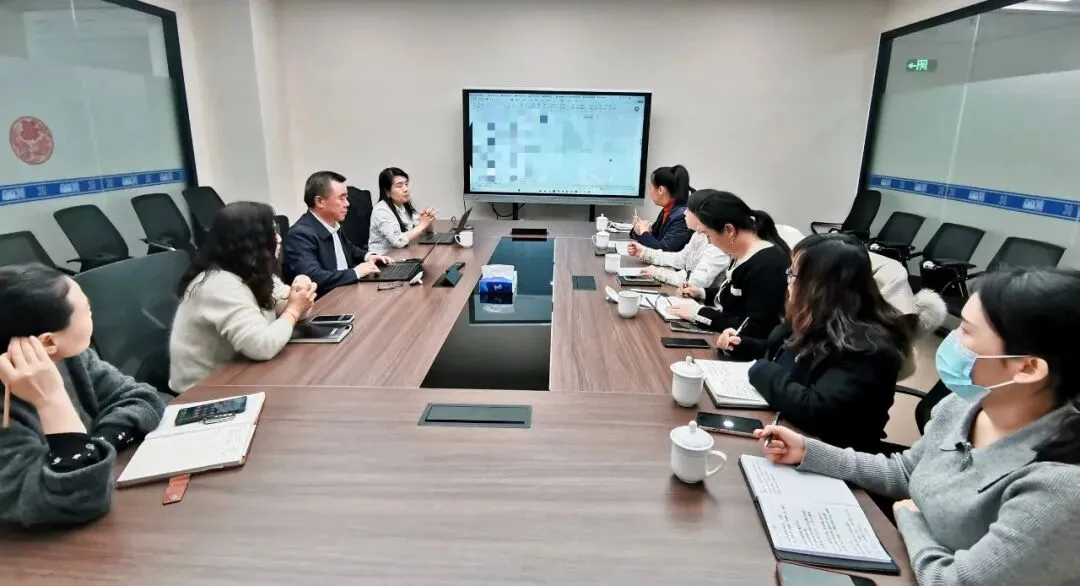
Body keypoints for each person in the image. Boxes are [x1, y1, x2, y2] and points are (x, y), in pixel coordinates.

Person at [755, 268, 1080, 586]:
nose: (952, 341)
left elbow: (953, 581)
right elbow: (908, 472)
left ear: (1027, 368)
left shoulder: (1061, 487)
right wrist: (809, 452)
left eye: (967, 332)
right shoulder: (963, 405)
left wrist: (911, 519)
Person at [0, 264, 166, 527]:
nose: (92, 313)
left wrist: (95, 446)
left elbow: (142, 400)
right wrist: (51, 399)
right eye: (86, 308)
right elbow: (79, 499)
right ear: (47, 342)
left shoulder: (71, 357)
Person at [717, 233, 915, 451]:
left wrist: (761, 370)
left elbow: (817, 411)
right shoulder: (818, 317)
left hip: (832, 454)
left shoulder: (869, 347)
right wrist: (744, 345)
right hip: (790, 433)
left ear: (819, 286)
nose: (788, 281)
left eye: (793, 274)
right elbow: (788, 356)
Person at [169, 202, 318, 393]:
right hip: (201, 393)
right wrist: (294, 310)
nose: (279, 239)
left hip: (239, 375)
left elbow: (296, 308)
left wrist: (301, 286)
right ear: (250, 243)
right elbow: (263, 346)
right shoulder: (219, 284)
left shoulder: (250, 270)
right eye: (271, 233)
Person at [668, 190, 790, 340]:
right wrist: (701, 293)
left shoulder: (767, 265)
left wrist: (698, 313)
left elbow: (755, 328)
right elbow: (734, 296)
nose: (709, 242)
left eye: (708, 235)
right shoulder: (743, 253)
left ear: (729, 230)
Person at [282, 171, 393, 295]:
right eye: (341, 198)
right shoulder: (300, 234)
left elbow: (349, 249)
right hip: (326, 300)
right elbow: (313, 277)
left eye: (346, 197)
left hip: (346, 291)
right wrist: (356, 272)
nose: (347, 204)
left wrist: (369, 257)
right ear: (320, 201)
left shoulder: (332, 223)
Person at [626, 204, 729, 288]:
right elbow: (680, 259)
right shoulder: (698, 235)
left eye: (688, 210)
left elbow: (697, 281)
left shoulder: (717, 245)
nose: (684, 212)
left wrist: (658, 273)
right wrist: (644, 252)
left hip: (701, 301)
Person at [368, 167, 436, 255]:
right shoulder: (381, 211)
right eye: (399, 186)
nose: (406, 189)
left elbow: (422, 230)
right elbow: (398, 241)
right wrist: (422, 225)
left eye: (406, 184)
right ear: (387, 191)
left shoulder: (404, 204)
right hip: (384, 258)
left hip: (402, 254)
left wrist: (427, 221)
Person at [630, 165, 694, 252]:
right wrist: (638, 229)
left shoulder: (682, 216)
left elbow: (664, 250)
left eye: (650, 188)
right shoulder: (667, 209)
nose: (650, 192)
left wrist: (644, 233)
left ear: (660, 190)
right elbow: (654, 237)